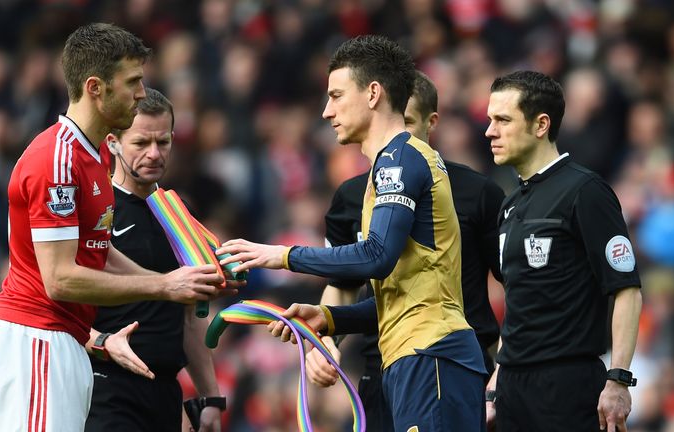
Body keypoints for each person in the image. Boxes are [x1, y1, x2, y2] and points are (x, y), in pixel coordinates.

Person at [217, 35, 487, 432]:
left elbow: (377, 256)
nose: (327, 111)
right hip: (415, 354)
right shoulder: (390, 167)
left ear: (373, 93)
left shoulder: (399, 159)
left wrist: (282, 256)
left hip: (432, 355)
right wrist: (327, 317)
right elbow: (403, 296)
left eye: (337, 95)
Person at [0, 23, 237, 432]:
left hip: (63, 341)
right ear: (96, 88)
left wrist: (179, 283)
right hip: (38, 337)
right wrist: (164, 286)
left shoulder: (91, 155)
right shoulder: (59, 159)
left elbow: (97, 251)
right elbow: (59, 279)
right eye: (132, 81)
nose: (140, 92)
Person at [305, 70, 504, 431]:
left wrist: (504, 365)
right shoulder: (352, 195)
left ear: (432, 122)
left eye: (408, 122)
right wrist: (323, 341)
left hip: (445, 358)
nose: (398, 134)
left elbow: (514, 283)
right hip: (382, 363)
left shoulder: (478, 193)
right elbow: (343, 282)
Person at [482, 70, 642, 432]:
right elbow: (520, 301)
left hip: (567, 386)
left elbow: (626, 288)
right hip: (513, 389)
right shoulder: (509, 205)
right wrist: (497, 380)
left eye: (503, 120)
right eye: (491, 119)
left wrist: (618, 379)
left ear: (541, 125)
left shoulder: (585, 191)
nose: (489, 131)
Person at [84, 88, 224, 431]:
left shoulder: (177, 212)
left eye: (163, 142)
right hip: (107, 387)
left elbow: (191, 318)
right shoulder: (97, 210)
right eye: (141, 143)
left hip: (164, 392)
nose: (154, 153)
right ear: (114, 142)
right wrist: (99, 342)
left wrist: (209, 399)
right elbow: (60, 306)